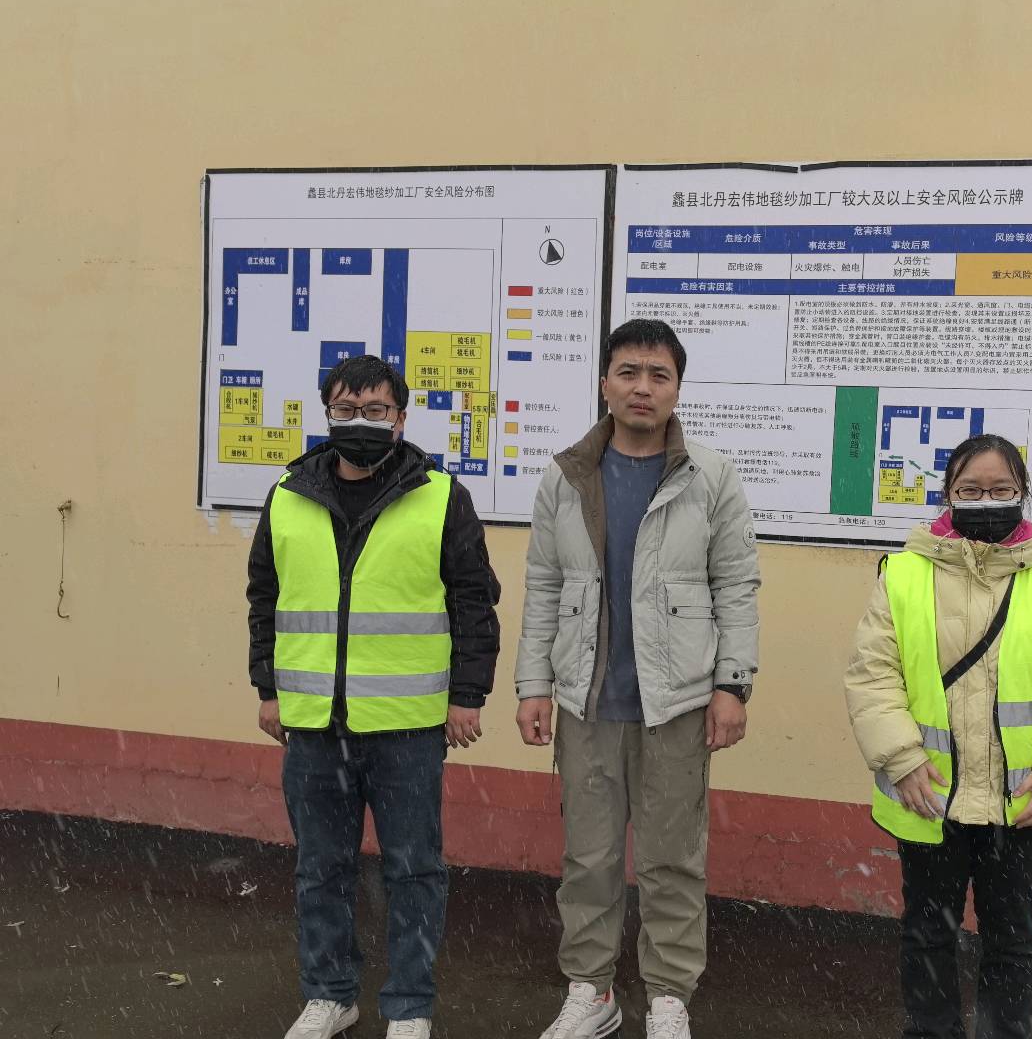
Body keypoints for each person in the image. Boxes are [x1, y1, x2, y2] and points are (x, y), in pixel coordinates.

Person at [515, 319, 761, 1039]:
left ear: (677, 388)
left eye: (659, 375)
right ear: (605, 384)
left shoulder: (709, 476)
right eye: (629, 372)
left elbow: (736, 585)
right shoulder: (567, 476)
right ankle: (591, 992)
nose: (642, 387)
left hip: (676, 703)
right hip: (586, 702)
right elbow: (544, 585)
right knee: (588, 859)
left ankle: (668, 997)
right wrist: (533, 684)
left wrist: (732, 685)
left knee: (671, 860)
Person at [247, 354, 502, 1039]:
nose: (360, 421)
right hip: (312, 723)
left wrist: (468, 694)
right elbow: (265, 598)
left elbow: (474, 601)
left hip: (407, 727)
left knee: (414, 871)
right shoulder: (288, 494)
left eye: (376, 410)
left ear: (401, 418)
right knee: (319, 870)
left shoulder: (441, 497)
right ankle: (330, 994)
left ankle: (409, 1006)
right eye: (347, 409)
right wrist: (268, 687)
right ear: (327, 413)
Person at [843, 434, 1032, 1039]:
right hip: (929, 795)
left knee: (1012, 941)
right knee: (927, 936)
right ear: (948, 496)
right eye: (970, 490)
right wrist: (901, 758)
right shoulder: (904, 575)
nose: (986, 501)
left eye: (1000, 489)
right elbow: (873, 674)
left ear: (1022, 493)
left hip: (1021, 805)